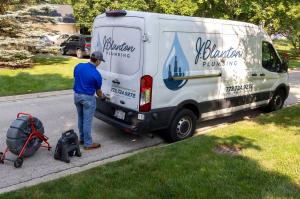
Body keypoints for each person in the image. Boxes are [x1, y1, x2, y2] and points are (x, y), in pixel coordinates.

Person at [73, 51, 104, 150]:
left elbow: (76, 77)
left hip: (77, 96)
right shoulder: (96, 74)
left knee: (81, 118)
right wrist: (103, 97)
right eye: (100, 61)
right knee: (87, 121)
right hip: (88, 99)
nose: (100, 63)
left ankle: (82, 138)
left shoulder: (79, 66)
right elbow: (98, 92)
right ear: (98, 61)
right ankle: (88, 143)